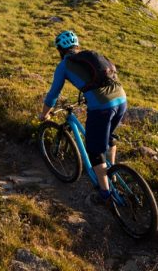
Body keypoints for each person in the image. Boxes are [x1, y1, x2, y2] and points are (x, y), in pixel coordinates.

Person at [39, 30, 127, 205]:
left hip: (102, 106)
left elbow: (53, 95)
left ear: (60, 50)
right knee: (108, 138)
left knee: (94, 152)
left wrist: (44, 114)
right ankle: (112, 175)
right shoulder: (90, 56)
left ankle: (105, 194)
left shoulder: (65, 64)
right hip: (122, 98)